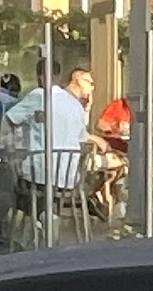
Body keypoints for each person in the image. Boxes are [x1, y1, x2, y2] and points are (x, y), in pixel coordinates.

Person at [8, 64, 93, 210]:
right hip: (68, 179)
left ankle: (34, 219)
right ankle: (48, 217)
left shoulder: (39, 95)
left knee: (8, 178)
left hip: (40, 178)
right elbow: (82, 139)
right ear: (59, 76)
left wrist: (9, 146)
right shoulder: (75, 104)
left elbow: (8, 120)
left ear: (39, 76)